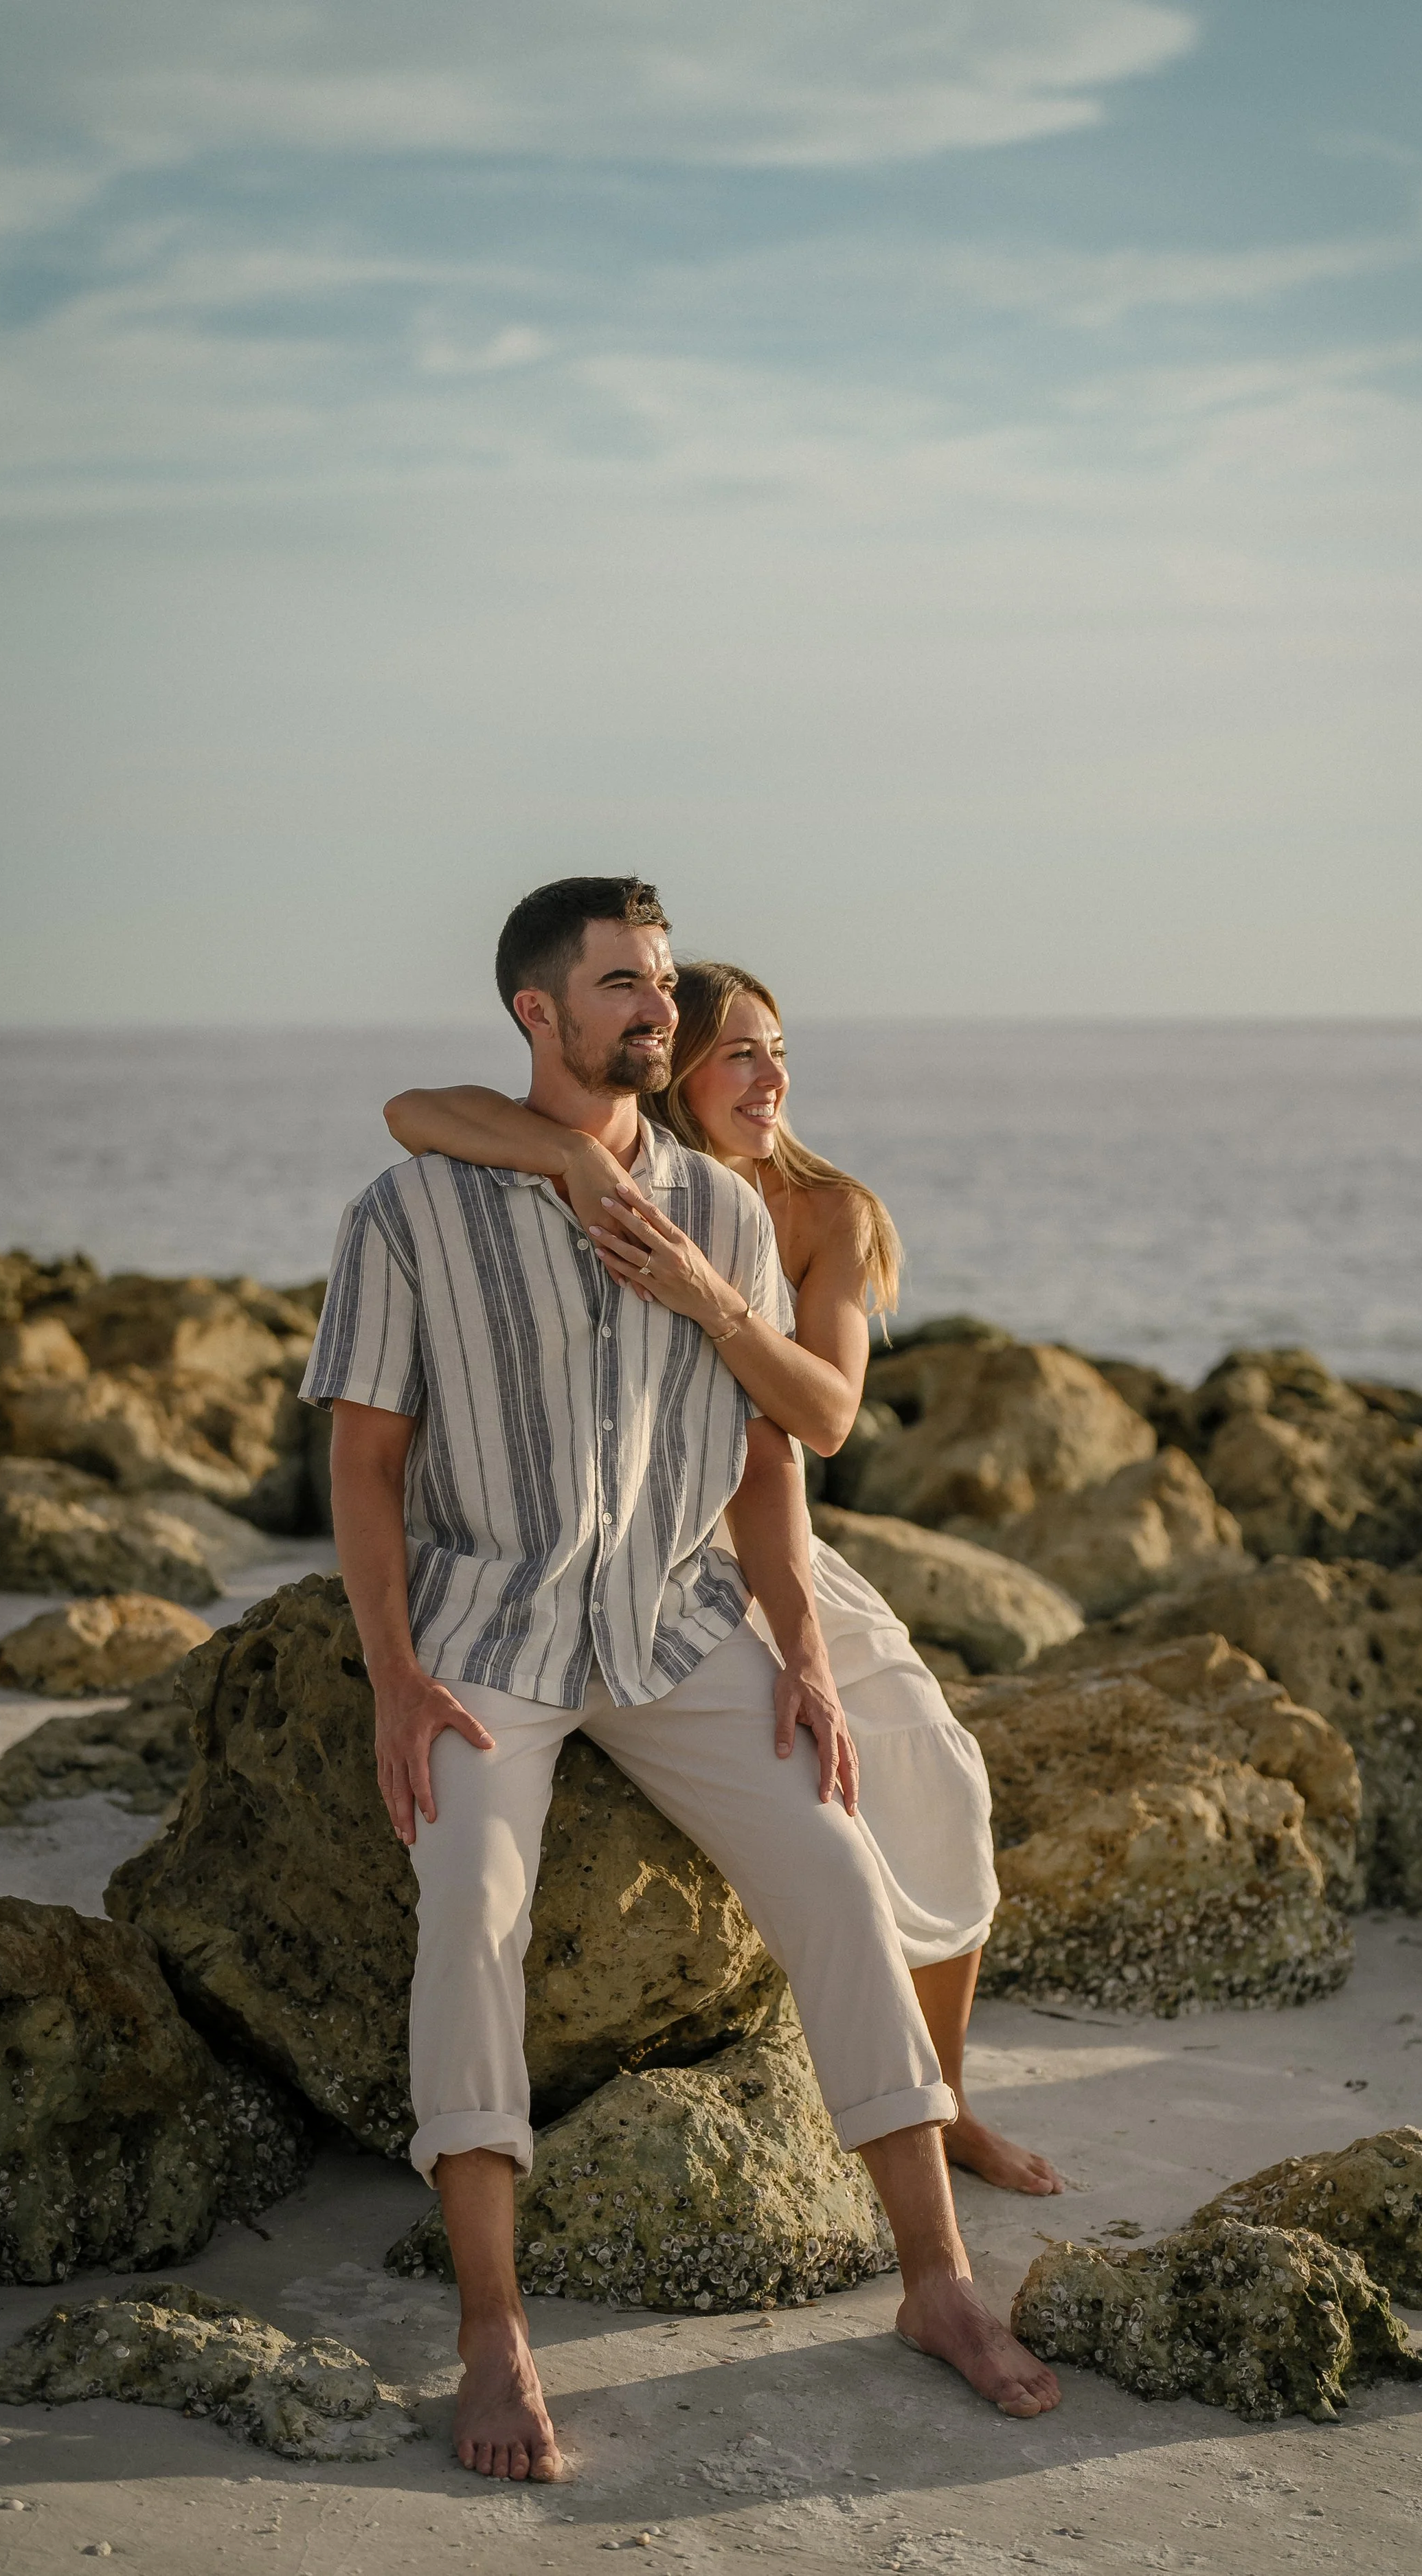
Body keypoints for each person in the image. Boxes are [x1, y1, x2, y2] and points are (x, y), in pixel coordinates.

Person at [305, 877, 1059, 2486]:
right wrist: (389, 1677)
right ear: (539, 1013)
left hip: (669, 1621)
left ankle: (935, 2280)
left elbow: (759, 1455)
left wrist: (795, 1647)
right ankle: (491, 2327)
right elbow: (364, 1462)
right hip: (485, 1636)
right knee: (472, 1913)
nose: (660, 1011)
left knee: (841, 1870)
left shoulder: (727, 1217)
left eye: (663, 984)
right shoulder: (410, 1211)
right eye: (626, 989)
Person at [386, 962, 1063, 2196]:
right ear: (680, 1066)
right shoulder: (604, 1160)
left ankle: (946, 2101)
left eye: (780, 1050)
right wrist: (578, 1165)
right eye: (740, 1052)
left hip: (758, 1540)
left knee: (934, 1768)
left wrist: (708, 1299)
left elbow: (826, 1414)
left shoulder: (815, 1209)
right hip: (592, 1551)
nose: (771, 1076)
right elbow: (415, 1112)